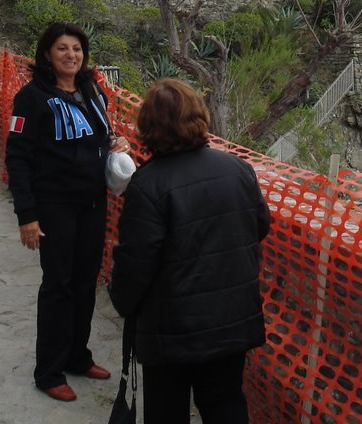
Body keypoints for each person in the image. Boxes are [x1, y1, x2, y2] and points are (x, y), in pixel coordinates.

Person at [109, 78, 271, 424]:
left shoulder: (149, 184)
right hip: (231, 316)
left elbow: (135, 263)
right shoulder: (238, 169)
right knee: (226, 401)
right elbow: (259, 226)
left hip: (172, 326)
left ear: (148, 126)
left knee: (166, 408)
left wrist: (122, 302)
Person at [5, 21, 131, 402]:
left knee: (84, 282)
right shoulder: (32, 98)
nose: (70, 55)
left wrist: (116, 141)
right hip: (54, 206)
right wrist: (27, 216)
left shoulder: (91, 90)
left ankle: (79, 355)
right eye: (62, 48)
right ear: (47, 53)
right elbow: (18, 157)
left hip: (92, 203)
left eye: (76, 48)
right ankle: (49, 371)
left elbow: (99, 136)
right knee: (57, 286)